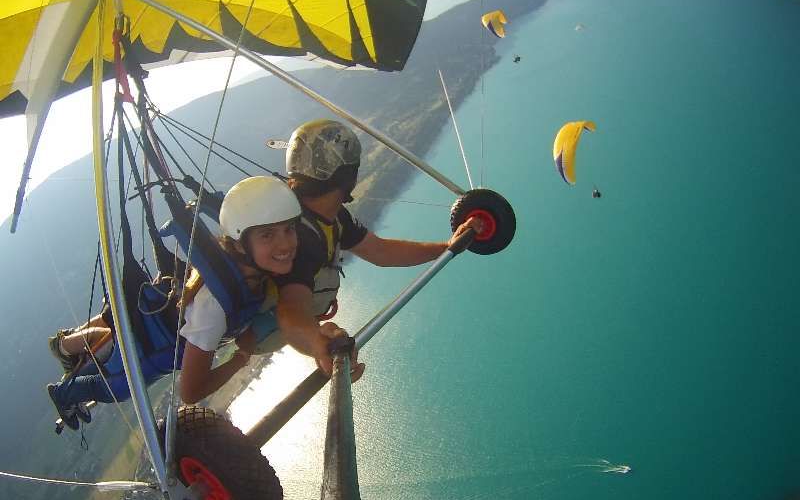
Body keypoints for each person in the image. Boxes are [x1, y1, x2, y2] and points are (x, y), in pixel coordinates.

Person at [46, 176, 355, 430]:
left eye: (289, 230)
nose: (286, 244)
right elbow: (190, 392)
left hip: (158, 313)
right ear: (239, 243)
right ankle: (64, 388)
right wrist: (239, 359)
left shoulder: (249, 271)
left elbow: (288, 311)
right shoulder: (214, 309)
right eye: (268, 235)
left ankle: (67, 346)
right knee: (115, 386)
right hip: (150, 345)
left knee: (110, 336)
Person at [263, 119, 480, 377]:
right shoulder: (299, 235)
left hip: (291, 322)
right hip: (267, 328)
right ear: (348, 177)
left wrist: (445, 247)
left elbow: (380, 251)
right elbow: (291, 309)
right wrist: (320, 346)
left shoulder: (330, 215)